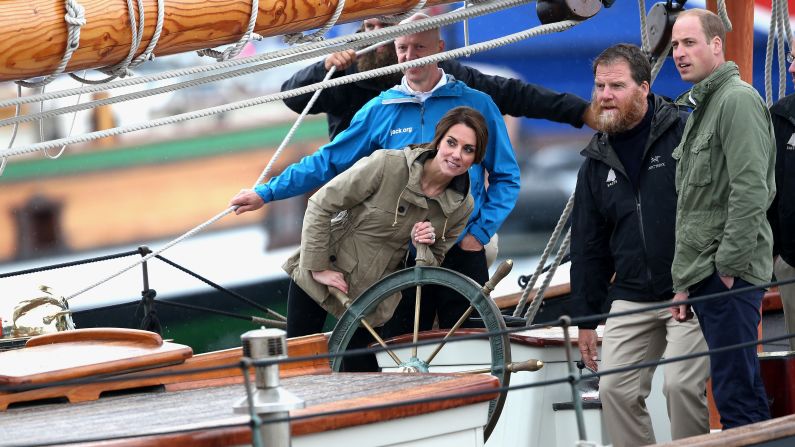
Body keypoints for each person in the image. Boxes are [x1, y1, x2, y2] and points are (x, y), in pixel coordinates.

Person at [231, 14, 520, 335]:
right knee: (403, 343)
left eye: (420, 48)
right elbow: (328, 161)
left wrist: (478, 234)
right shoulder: (381, 109)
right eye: (403, 48)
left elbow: (506, 176)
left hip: (459, 243)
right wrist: (265, 193)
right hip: (399, 256)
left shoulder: (476, 104)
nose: (410, 57)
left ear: (440, 48)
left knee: (470, 339)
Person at [571, 43, 709, 447]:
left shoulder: (685, 135)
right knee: (614, 391)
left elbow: (712, 208)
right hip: (631, 293)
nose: (604, 96)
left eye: (616, 85)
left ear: (644, 88)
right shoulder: (596, 161)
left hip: (690, 285)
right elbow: (588, 247)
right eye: (599, 86)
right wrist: (586, 321)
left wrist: (699, 275)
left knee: (680, 388)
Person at [276, 106, 483, 370]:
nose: (457, 155)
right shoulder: (387, 164)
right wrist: (319, 268)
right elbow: (319, 204)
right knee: (299, 365)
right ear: (438, 140)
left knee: (362, 378)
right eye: (451, 143)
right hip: (324, 270)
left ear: (476, 158)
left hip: (373, 300)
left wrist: (423, 246)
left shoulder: (462, 207)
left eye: (468, 149)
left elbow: (433, 265)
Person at [669, 8, 775, 428]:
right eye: (675, 44)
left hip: (729, 274)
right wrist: (684, 285)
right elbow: (694, 207)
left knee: (737, 391)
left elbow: (752, 193)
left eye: (689, 43)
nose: (678, 52)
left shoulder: (736, 101)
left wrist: (728, 269)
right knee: (733, 387)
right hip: (706, 274)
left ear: (717, 45)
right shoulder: (702, 108)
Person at [281, 17, 597, 140]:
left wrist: (578, 111)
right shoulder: (346, 74)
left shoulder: (440, 74)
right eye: (368, 28)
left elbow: (511, 94)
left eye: (383, 28)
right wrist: (324, 68)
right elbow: (293, 97)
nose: (372, 37)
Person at [769, 41, 795, 351]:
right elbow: (769, 188)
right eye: (791, 59)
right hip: (791, 262)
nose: (790, 69)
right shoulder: (781, 116)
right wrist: (776, 257)